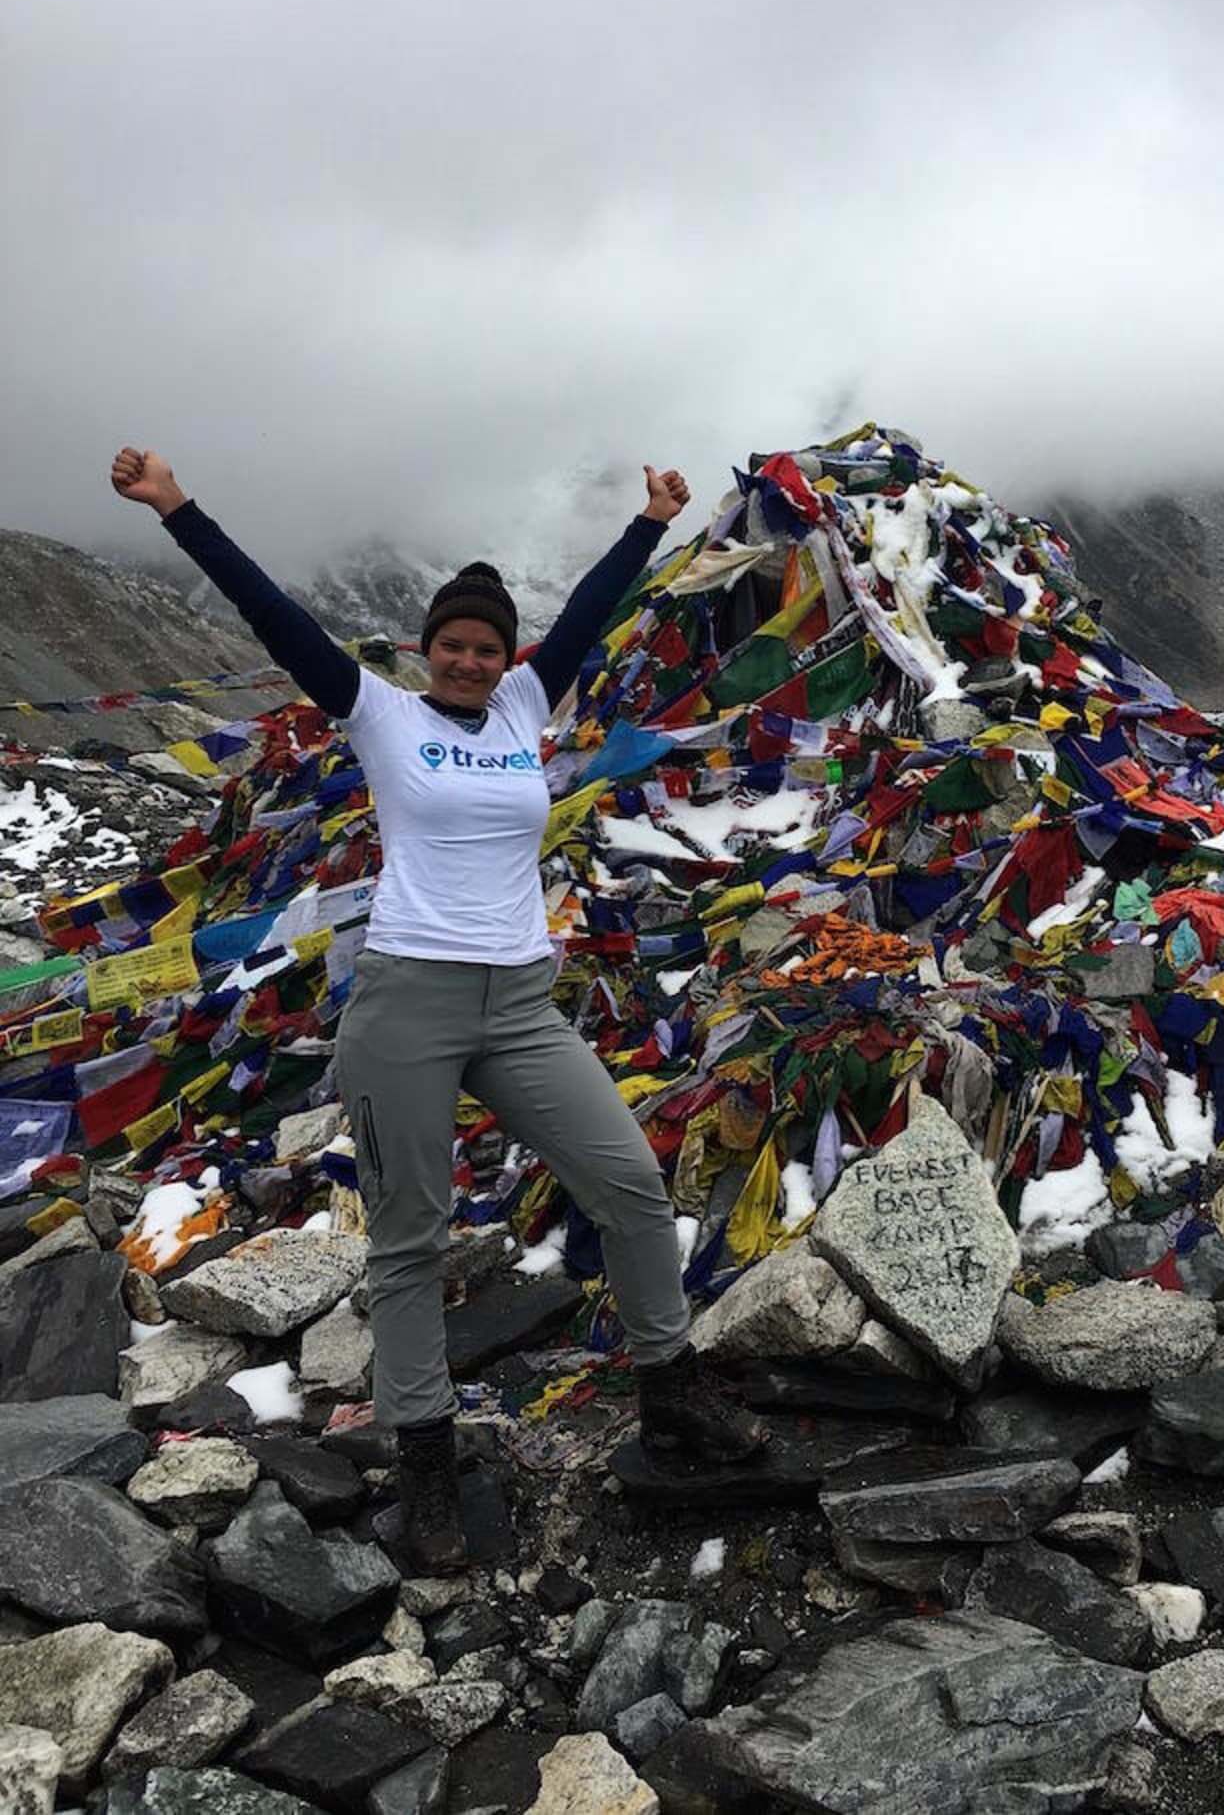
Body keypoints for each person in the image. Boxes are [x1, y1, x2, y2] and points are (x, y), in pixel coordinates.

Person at [112, 446, 765, 1571]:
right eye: (452, 646)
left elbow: (594, 614)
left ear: (506, 659)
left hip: (519, 1001)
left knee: (629, 1184)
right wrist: (177, 508)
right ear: (426, 652)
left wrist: (649, 524)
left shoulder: (522, 702)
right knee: (409, 1242)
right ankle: (424, 1465)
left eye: (487, 647)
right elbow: (273, 616)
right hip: (406, 1004)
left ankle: (671, 1396)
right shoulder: (375, 711)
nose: (471, 661)